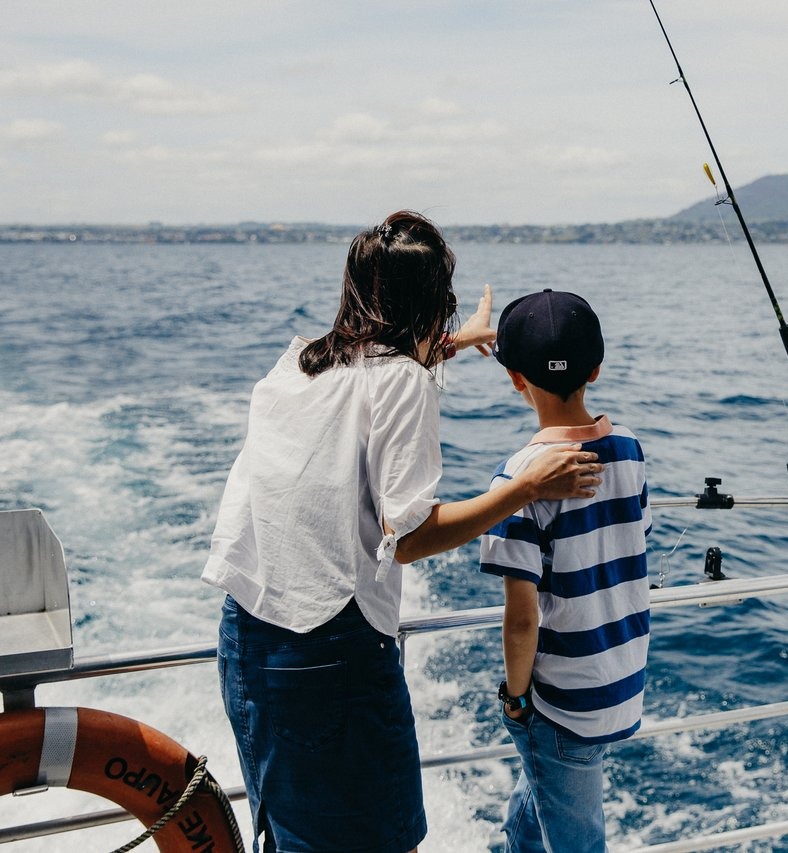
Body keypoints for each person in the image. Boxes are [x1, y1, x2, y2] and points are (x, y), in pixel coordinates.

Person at [202, 212, 603, 853]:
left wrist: (450, 344)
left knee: (287, 835)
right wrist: (526, 489)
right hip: (331, 654)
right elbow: (409, 537)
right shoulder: (405, 383)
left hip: (247, 641)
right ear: (431, 303)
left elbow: (370, 371)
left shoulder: (297, 363)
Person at [479, 289, 651, 852]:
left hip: (561, 702)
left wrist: (515, 696)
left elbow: (522, 619)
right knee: (539, 804)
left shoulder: (518, 479)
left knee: (576, 840)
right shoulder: (629, 449)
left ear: (516, 379)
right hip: (620, 680)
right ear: (595, 369)